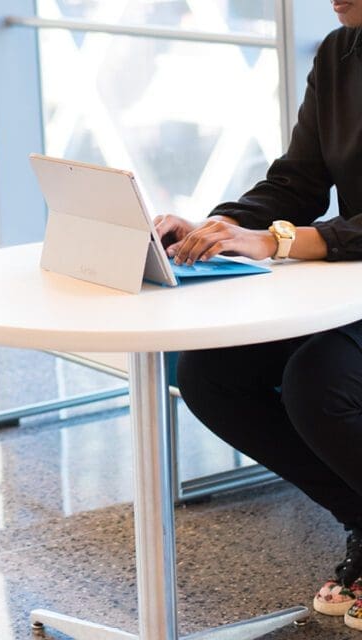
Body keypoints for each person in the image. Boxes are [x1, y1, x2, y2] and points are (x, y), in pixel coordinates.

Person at [153, 0, 362, 630]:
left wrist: (282, 241)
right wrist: (226, 225)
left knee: (319, 381)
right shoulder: (338, 53)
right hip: (350, 284)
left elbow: (295, 227)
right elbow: (297, 179)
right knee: (211, 374)